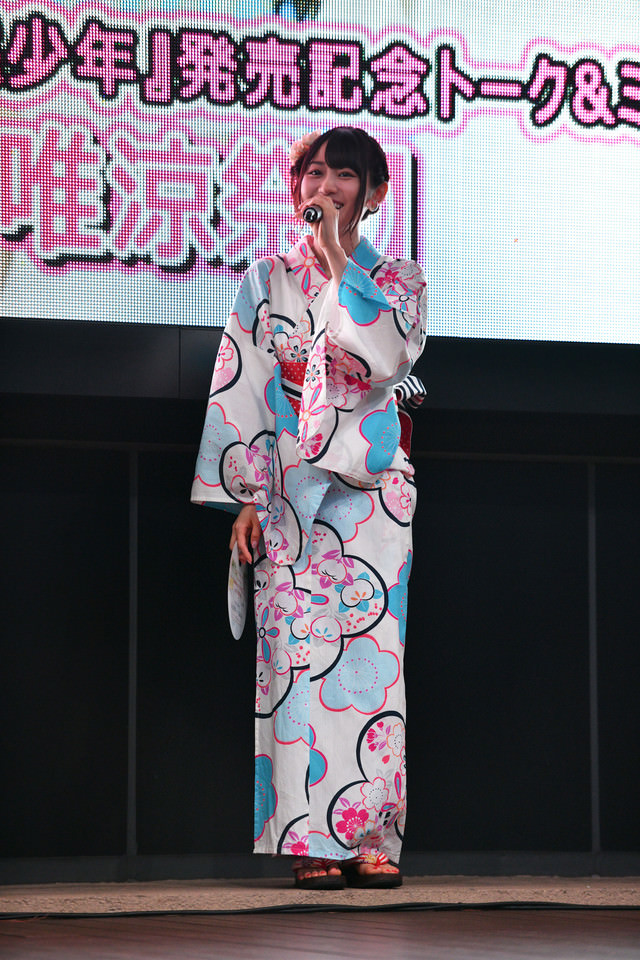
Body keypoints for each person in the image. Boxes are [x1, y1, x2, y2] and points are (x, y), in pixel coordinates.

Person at [191, 126, 427, 889]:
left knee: (371, 666)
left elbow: (382, 359)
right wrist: (246, 495)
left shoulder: (400, 280)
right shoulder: (267, 279)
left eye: (343, 175)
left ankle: (370, 834)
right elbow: (247, 387)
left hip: (370, 493)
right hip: (291, 492)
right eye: (313, 173)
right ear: (296, 188)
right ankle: (310, 840)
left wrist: (336, 259)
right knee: (297, 662)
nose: (324, 186)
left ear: (375, 192)